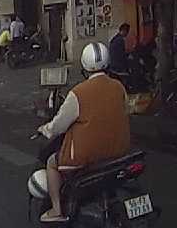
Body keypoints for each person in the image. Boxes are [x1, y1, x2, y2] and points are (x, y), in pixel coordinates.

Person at [36, 42, 131, 223]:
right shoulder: (119, 87)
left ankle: (56, 210)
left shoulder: (78, 93)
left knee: (51, 163)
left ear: (84, 66)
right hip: (119, 151)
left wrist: (45, 130)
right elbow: (125, 111)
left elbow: (59, 125)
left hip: (86, 156)